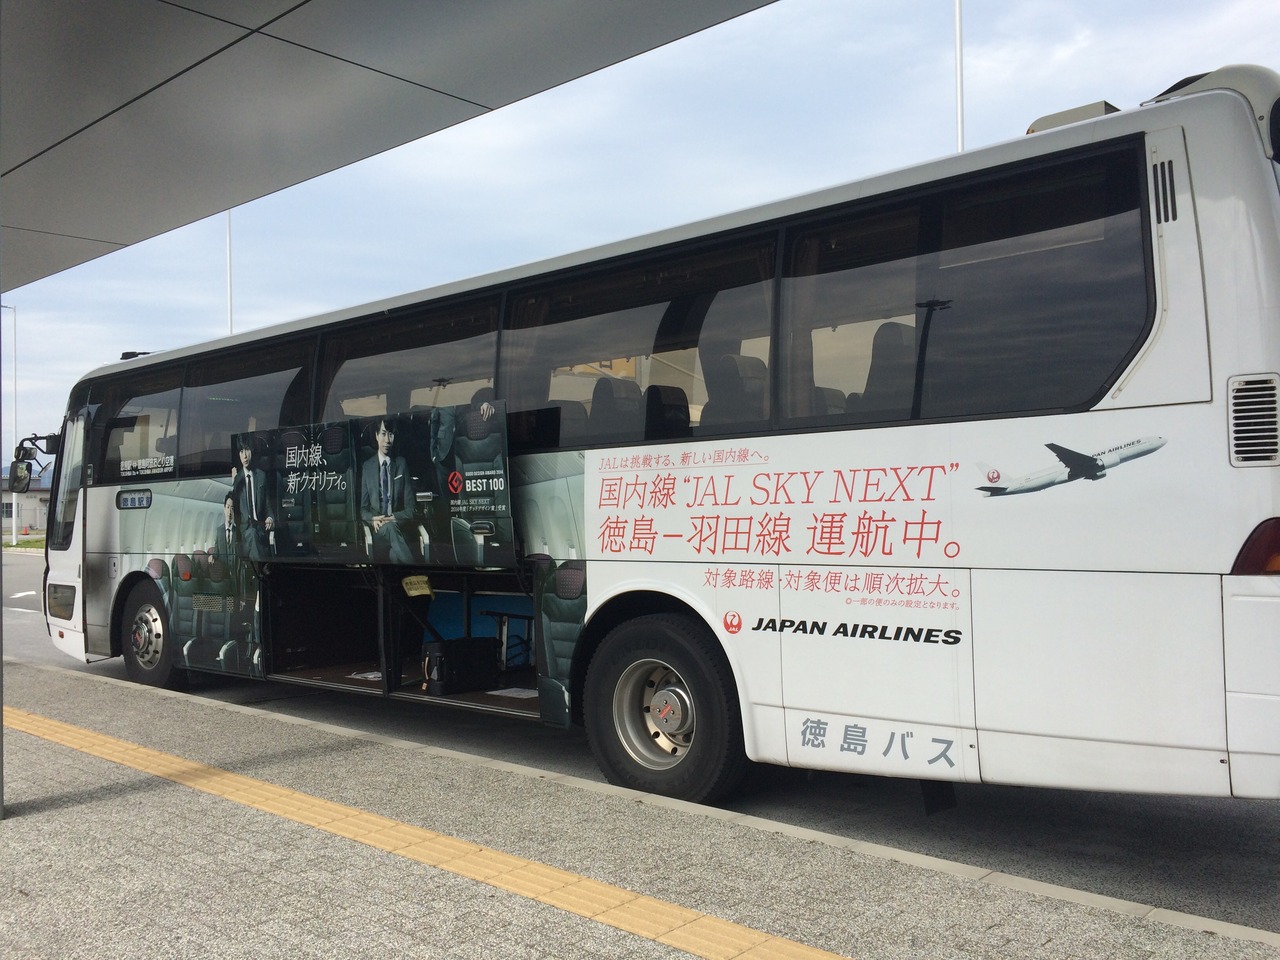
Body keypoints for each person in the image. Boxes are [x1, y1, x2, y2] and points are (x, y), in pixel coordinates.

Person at [360, 417, 416, 564]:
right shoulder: (367, 467)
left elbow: (411, 510)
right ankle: (417, 570)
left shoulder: (401, 464)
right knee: (389, 529)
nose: (387, 440)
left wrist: (393, 518)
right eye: (383, 434)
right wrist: (372, 519)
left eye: (391, 434)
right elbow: (363, 509)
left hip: (399, 530)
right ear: (376, 436)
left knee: (394, 556)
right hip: (379, 533)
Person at [230, 436, 273, 562]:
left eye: (247, 450)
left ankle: (259, 568)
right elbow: (232, 509)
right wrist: (233, 485)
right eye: (241, 451)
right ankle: (262, 567)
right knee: (252, 534)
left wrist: (270, 518)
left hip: (260, 528)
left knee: (254, 535)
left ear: (252, 451)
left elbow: (268, 506)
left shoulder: (261, 476)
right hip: (244, 530)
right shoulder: (237, 480)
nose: (244, 456)